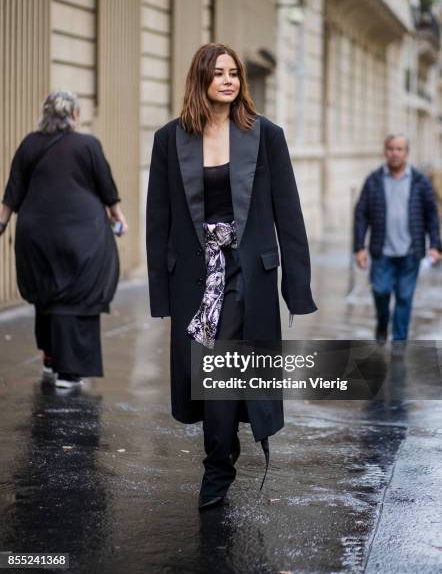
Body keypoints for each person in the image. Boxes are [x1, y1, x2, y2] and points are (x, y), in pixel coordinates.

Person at [146, 43, 316, 510]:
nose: (228, 80)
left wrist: (296, 286)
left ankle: (216, 468)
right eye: (218, 73)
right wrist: (160, 291)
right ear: (200, 79)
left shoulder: (266, 136)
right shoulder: (169, 139)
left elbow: (289, 213)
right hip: (194, 276)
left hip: (246, 273)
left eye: (234, 73)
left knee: (218, 362)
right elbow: (156, 217)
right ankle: (223, 449)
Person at [0, 90, 127, 388]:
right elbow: (107, 187)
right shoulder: (88, 145)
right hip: (81, 234)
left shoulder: (30, 144)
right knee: (77, 297)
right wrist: (118, 216)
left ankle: (49, 357)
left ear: (44, 114)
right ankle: (69, 372)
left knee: (46, 294)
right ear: (74, 115)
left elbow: (13, 189)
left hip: (36, 235)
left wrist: (3, 221)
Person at [354, 133, 441, 343]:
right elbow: (361, 214)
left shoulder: (420, 181)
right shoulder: (374, 180)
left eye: (399, 149)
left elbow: (431, 214)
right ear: (385, 152)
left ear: (406, 153)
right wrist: (360, 247)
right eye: (391, 148)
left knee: (404, 298)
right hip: (381, 251)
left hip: (411, 252)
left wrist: (436, 246)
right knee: (381, 292)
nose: (395, 153)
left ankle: (399, 344)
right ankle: (383, 324)